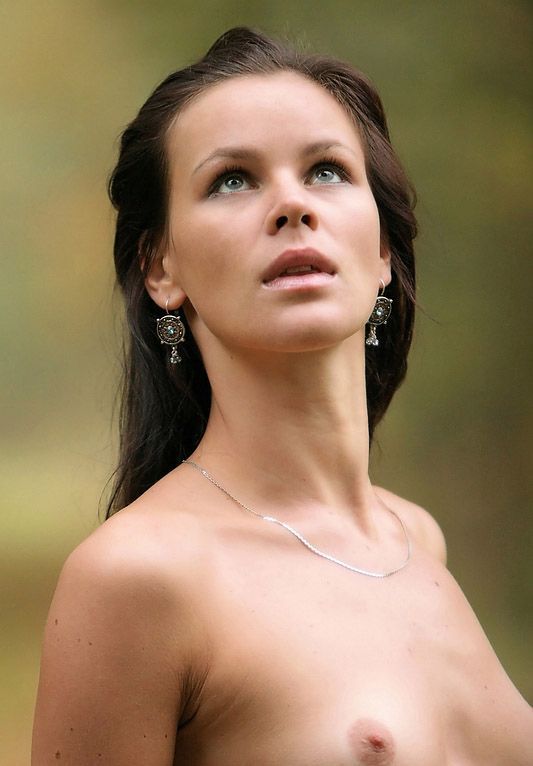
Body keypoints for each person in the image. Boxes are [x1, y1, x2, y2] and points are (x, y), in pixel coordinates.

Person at [31, 26, 532, 765]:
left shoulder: (414, 539)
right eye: (232, 179)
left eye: (326, 170)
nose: (292, 204)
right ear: (160, 266)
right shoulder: (137, 577)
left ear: (384, 250)